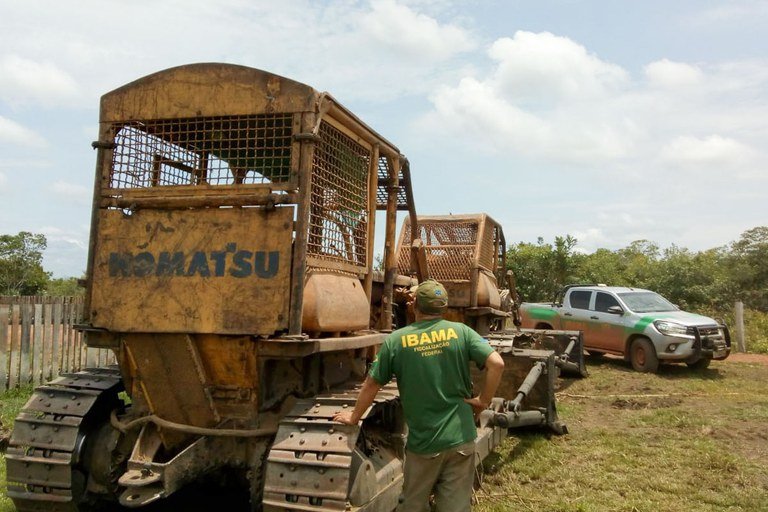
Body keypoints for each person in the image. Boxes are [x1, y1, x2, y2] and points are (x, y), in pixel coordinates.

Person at [333, 279, 505, 512]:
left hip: (425, 444)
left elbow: (372, 384)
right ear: (443, 307)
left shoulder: (397, 340)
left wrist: (354, 417)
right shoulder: (462, 332)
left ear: (414, 306)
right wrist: (483, 401)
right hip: (461, 437)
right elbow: (497, 364)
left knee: (413, 504)